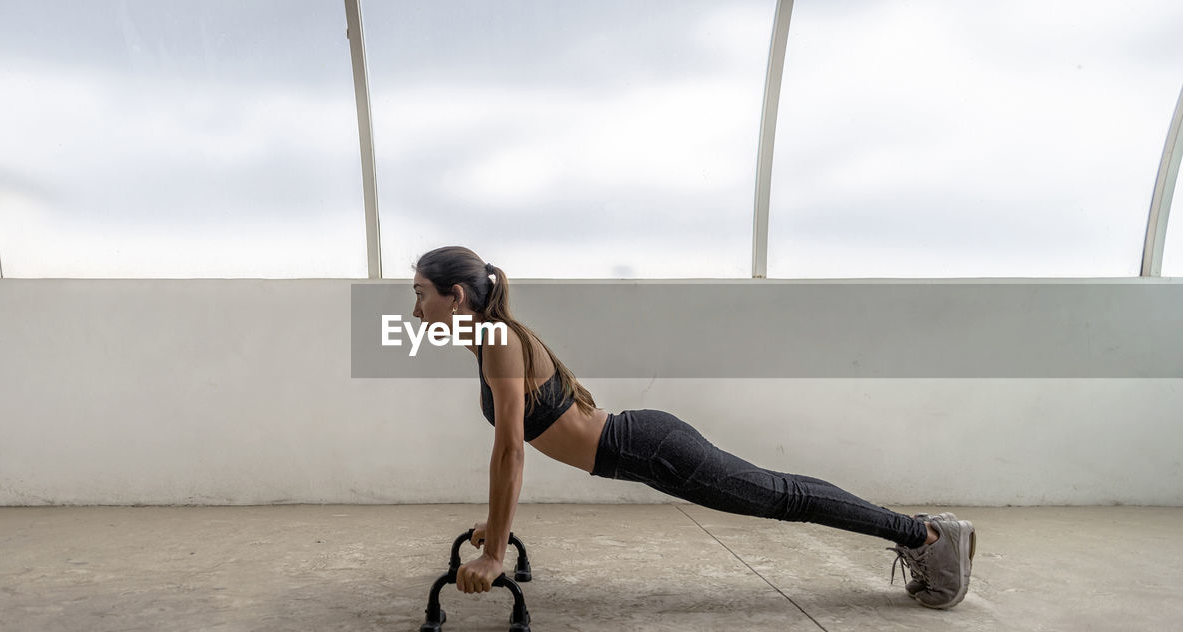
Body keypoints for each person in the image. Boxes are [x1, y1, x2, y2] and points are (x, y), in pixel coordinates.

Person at [411, 246, 975, 610]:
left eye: (420, 294)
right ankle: (926, 533)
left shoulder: (500, 343)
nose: (414, 312)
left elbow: (511, 450)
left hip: (654, 451)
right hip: (645, 446)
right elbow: (516, 442)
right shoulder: (489, 340)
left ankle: (926, 536)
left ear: (455, 295)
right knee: (780, 492)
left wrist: (495, 552)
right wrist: (495, 523)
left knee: (782, 497)